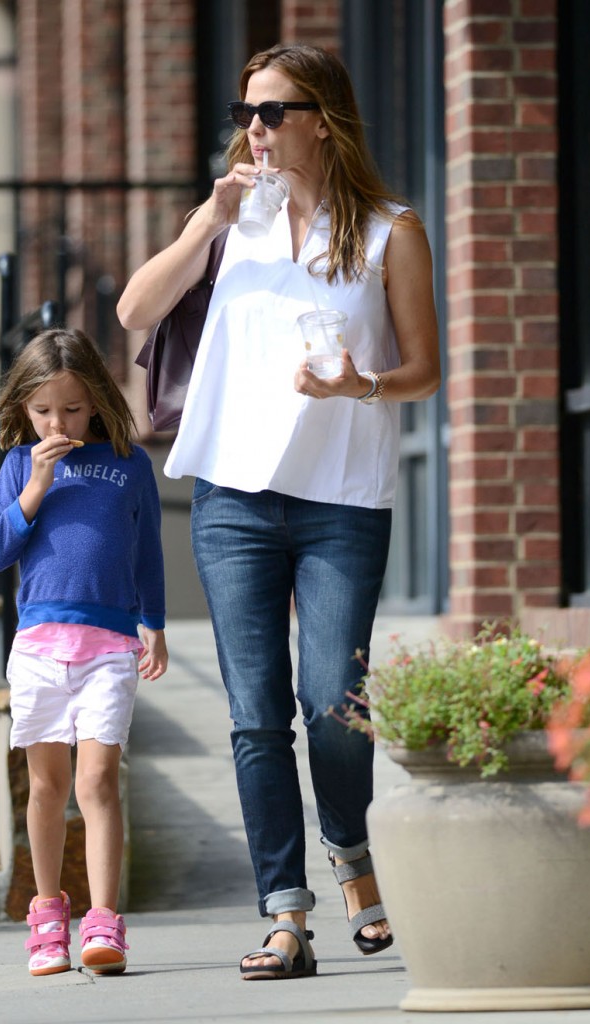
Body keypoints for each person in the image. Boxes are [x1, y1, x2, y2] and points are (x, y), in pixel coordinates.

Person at [117, 43, 440, 980]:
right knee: (255, 715)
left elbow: (423, 369)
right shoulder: (232, 223)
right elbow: (139, 310)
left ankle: (352, 852)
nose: (251, 128)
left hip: (341, 497)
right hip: (230, 499)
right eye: (244, 112)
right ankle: (285, 914)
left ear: (321, 119)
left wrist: (359, 385)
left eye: (270, 112)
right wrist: (201, 227)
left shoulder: (390, 230)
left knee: (331, 707)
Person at [0, 327, 168, 977]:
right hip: (37, 645)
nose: (56, 421)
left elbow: (146, 548)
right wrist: (35, 484)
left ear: (94, 401)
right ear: (22, 410)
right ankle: (47, 917)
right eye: (41, 411)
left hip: (109, 646)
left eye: (70, 407)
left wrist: (156, 622)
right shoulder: (15, 466)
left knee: (96, 782)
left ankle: (105, 924)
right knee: (46, 785)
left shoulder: (127, 464)